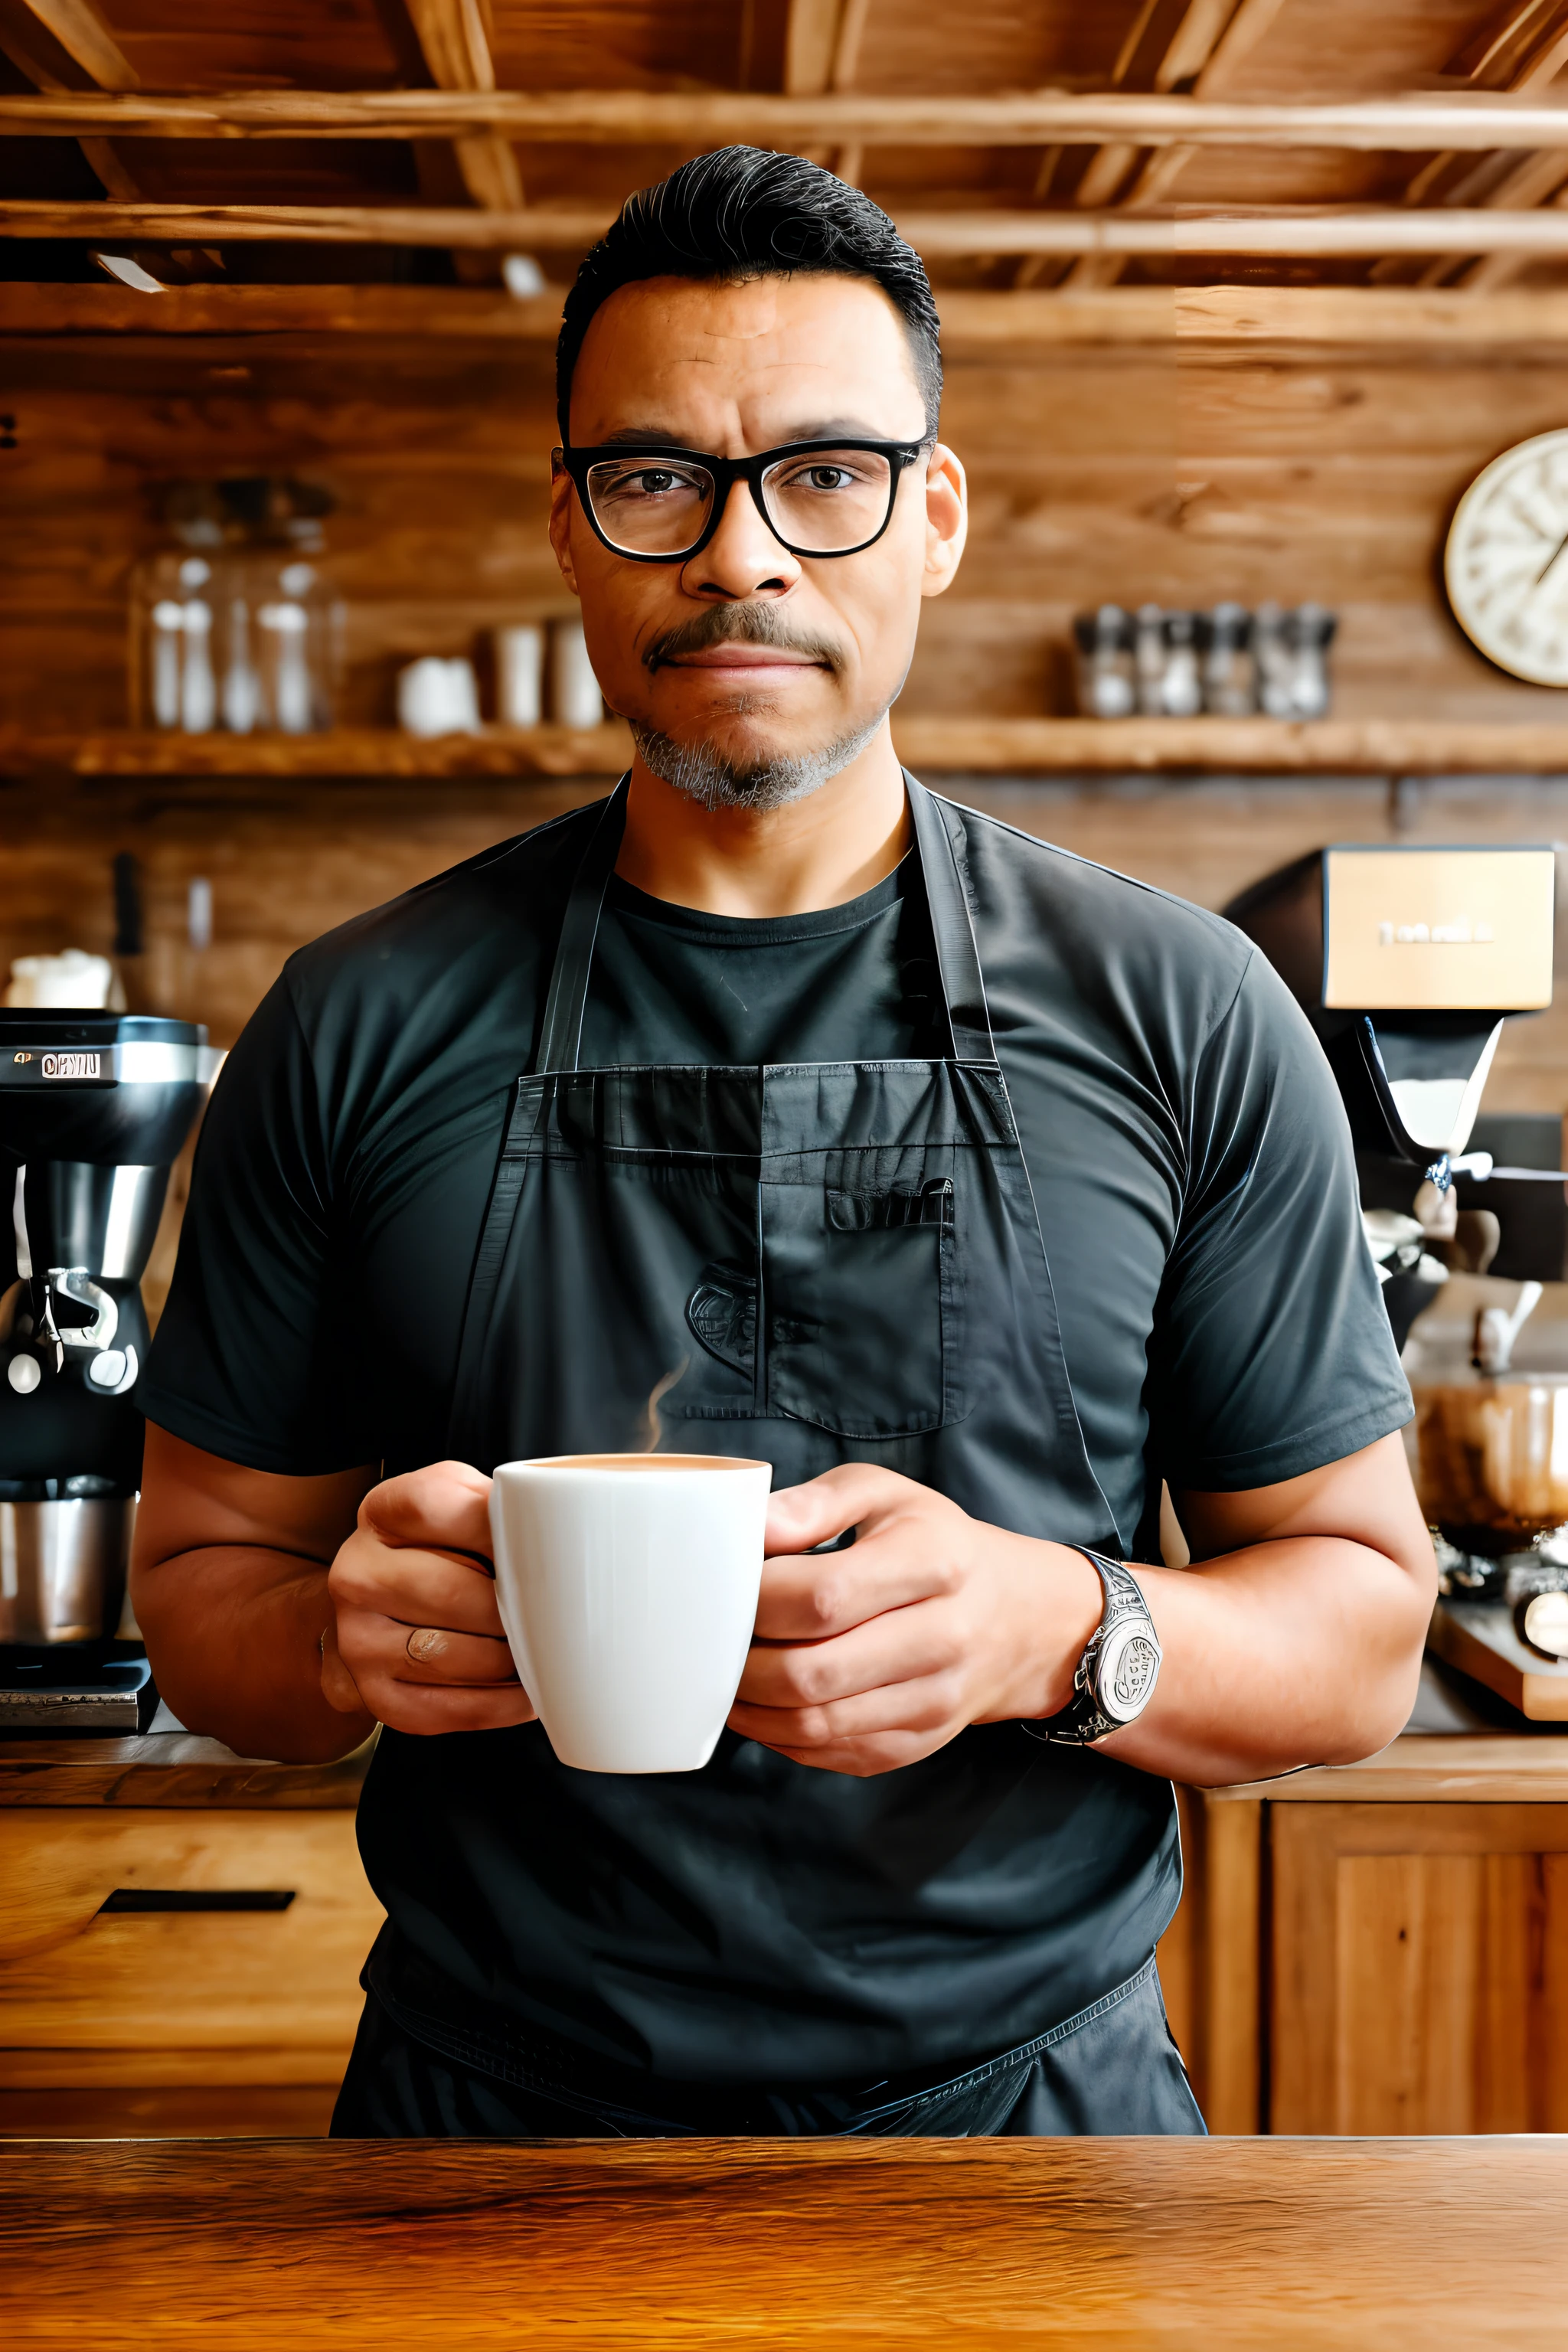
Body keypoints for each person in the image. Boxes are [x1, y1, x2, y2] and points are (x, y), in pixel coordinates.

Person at [131, 148, 1432, 2139]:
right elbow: (207, 1583)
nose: (742, 555)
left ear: (936, 517)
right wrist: (329, 1646)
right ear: (569, 528)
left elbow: (1355, 1630)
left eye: (825, 473)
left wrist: (1062, 1629)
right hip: (485, 2150)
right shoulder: (359, 1019)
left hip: (1030, 2144)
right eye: (657, 476)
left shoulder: (1182, 1012)